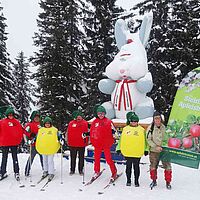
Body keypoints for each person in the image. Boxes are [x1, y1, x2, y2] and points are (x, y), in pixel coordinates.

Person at [116, 112, 148, 187]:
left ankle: (136, 181)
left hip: (137, 152)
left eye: (135, 121)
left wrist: (146, 149)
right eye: (132, 121)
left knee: (136, 167)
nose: (134, 123)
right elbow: (121, 140)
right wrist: (118, 148)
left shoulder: (142, 130)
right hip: (128, 152)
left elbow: (145, 141)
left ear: (137, 122)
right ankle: (128, 180)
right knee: (128, 167)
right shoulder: (125, 129)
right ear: (130, 121)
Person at [90, 105, 117, 180]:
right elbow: (92, 131)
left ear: (104, 113)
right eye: (99, 114)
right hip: (97, 143)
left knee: (108, 159)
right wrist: (87, 135)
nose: (100, 115)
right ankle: (96, 171)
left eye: (102, 113)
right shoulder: (95, 122)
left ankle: (114, 172)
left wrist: (114, 133)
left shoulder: (108, 121)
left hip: (106, 143)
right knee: (96, 158)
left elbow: (114, 132)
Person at [146, 111, 172, 189]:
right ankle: (154, 181)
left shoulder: (165, 127)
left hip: (164, 151)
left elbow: (168, 138)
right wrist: (155, 146)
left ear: (161, 119)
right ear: (153, 119)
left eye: (158, 118)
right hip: (154, 151)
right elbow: (148, 139)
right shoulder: (150, 128)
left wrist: (164, 146)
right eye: (155, 118)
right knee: (153, 167)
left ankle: (168, 182)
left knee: (168, 167)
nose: (157, 120)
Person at [0, 107, 23, 180]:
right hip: (4, 143)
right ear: (7, 115)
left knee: (15, 158)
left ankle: (16, 172)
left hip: (14, 143)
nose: (10, 115)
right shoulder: (2, 122)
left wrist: (19, 141)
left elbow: (20, 132)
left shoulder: (16, 122)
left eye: (12, 114)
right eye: (9, 114)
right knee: (4, 158)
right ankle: (2, 172)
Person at [36, 116, 60, 181]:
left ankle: (51, 172)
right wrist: (33, 140)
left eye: (48, 123)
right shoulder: (41, 130)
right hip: (43, 148)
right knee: (44, 160)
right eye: (46, 123)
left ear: (50, 123)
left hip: (51, 148)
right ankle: (45, 171)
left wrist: (61, 140)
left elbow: (58, 136)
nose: (47, 124)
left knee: (50, 161)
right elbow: (37, 137)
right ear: (44, 124)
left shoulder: (54, 130)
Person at [66, 110, 88, 175]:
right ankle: (72, 170)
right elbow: (68, 132)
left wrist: (87, 141)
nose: (78, 118)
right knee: (73, 158)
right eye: (77, 116)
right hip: (72, 144)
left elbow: (87, 133)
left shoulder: (85, 123)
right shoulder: (71, 123)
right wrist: (67, 140)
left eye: (80, 116)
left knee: (81, 158)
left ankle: (80, 170)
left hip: (81, 144)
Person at [24, 111, 43, 177]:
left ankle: (45, 169)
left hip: (41, 144)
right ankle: (27, 171)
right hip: (33, 144)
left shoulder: (41, 124)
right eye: (35, 117)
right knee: (31, 158)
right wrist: (30, 135)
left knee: (43, 157)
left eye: (38, 117)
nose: (37, 118)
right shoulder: (29, 124)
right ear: (32, 117)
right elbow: (25, 132)